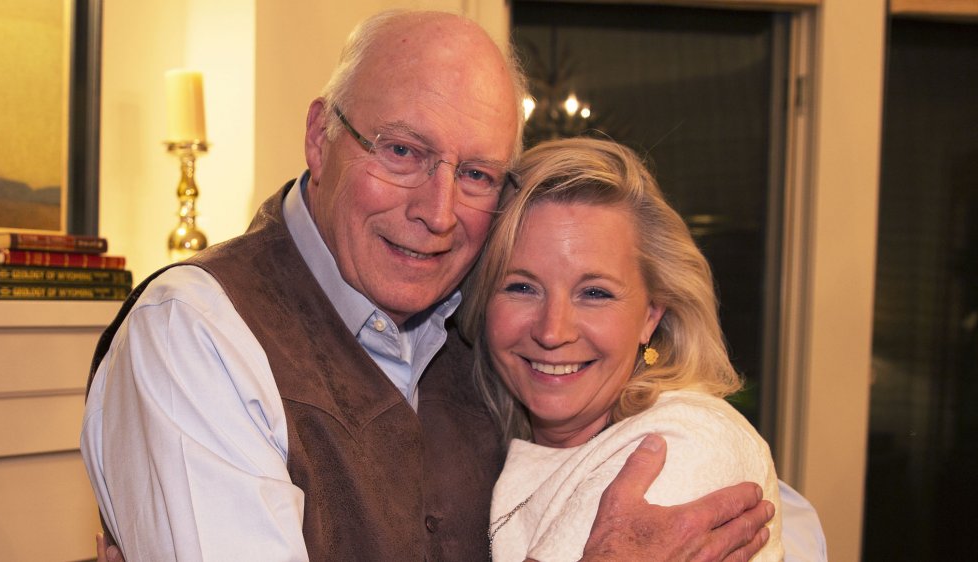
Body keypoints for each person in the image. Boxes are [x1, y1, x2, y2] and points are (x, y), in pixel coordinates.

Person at [82, 10, 776, 561]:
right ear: (321, 137)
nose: (437, 212)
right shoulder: (196, 334)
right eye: (404, 152)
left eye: (476, 173)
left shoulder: (482, 328)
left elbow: (759, 507)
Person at [460, 137, 785, 561]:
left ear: (651, 314)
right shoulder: (483, 440)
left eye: (594, 293)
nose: (552, 331)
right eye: (521, 287)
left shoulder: (686, 440)